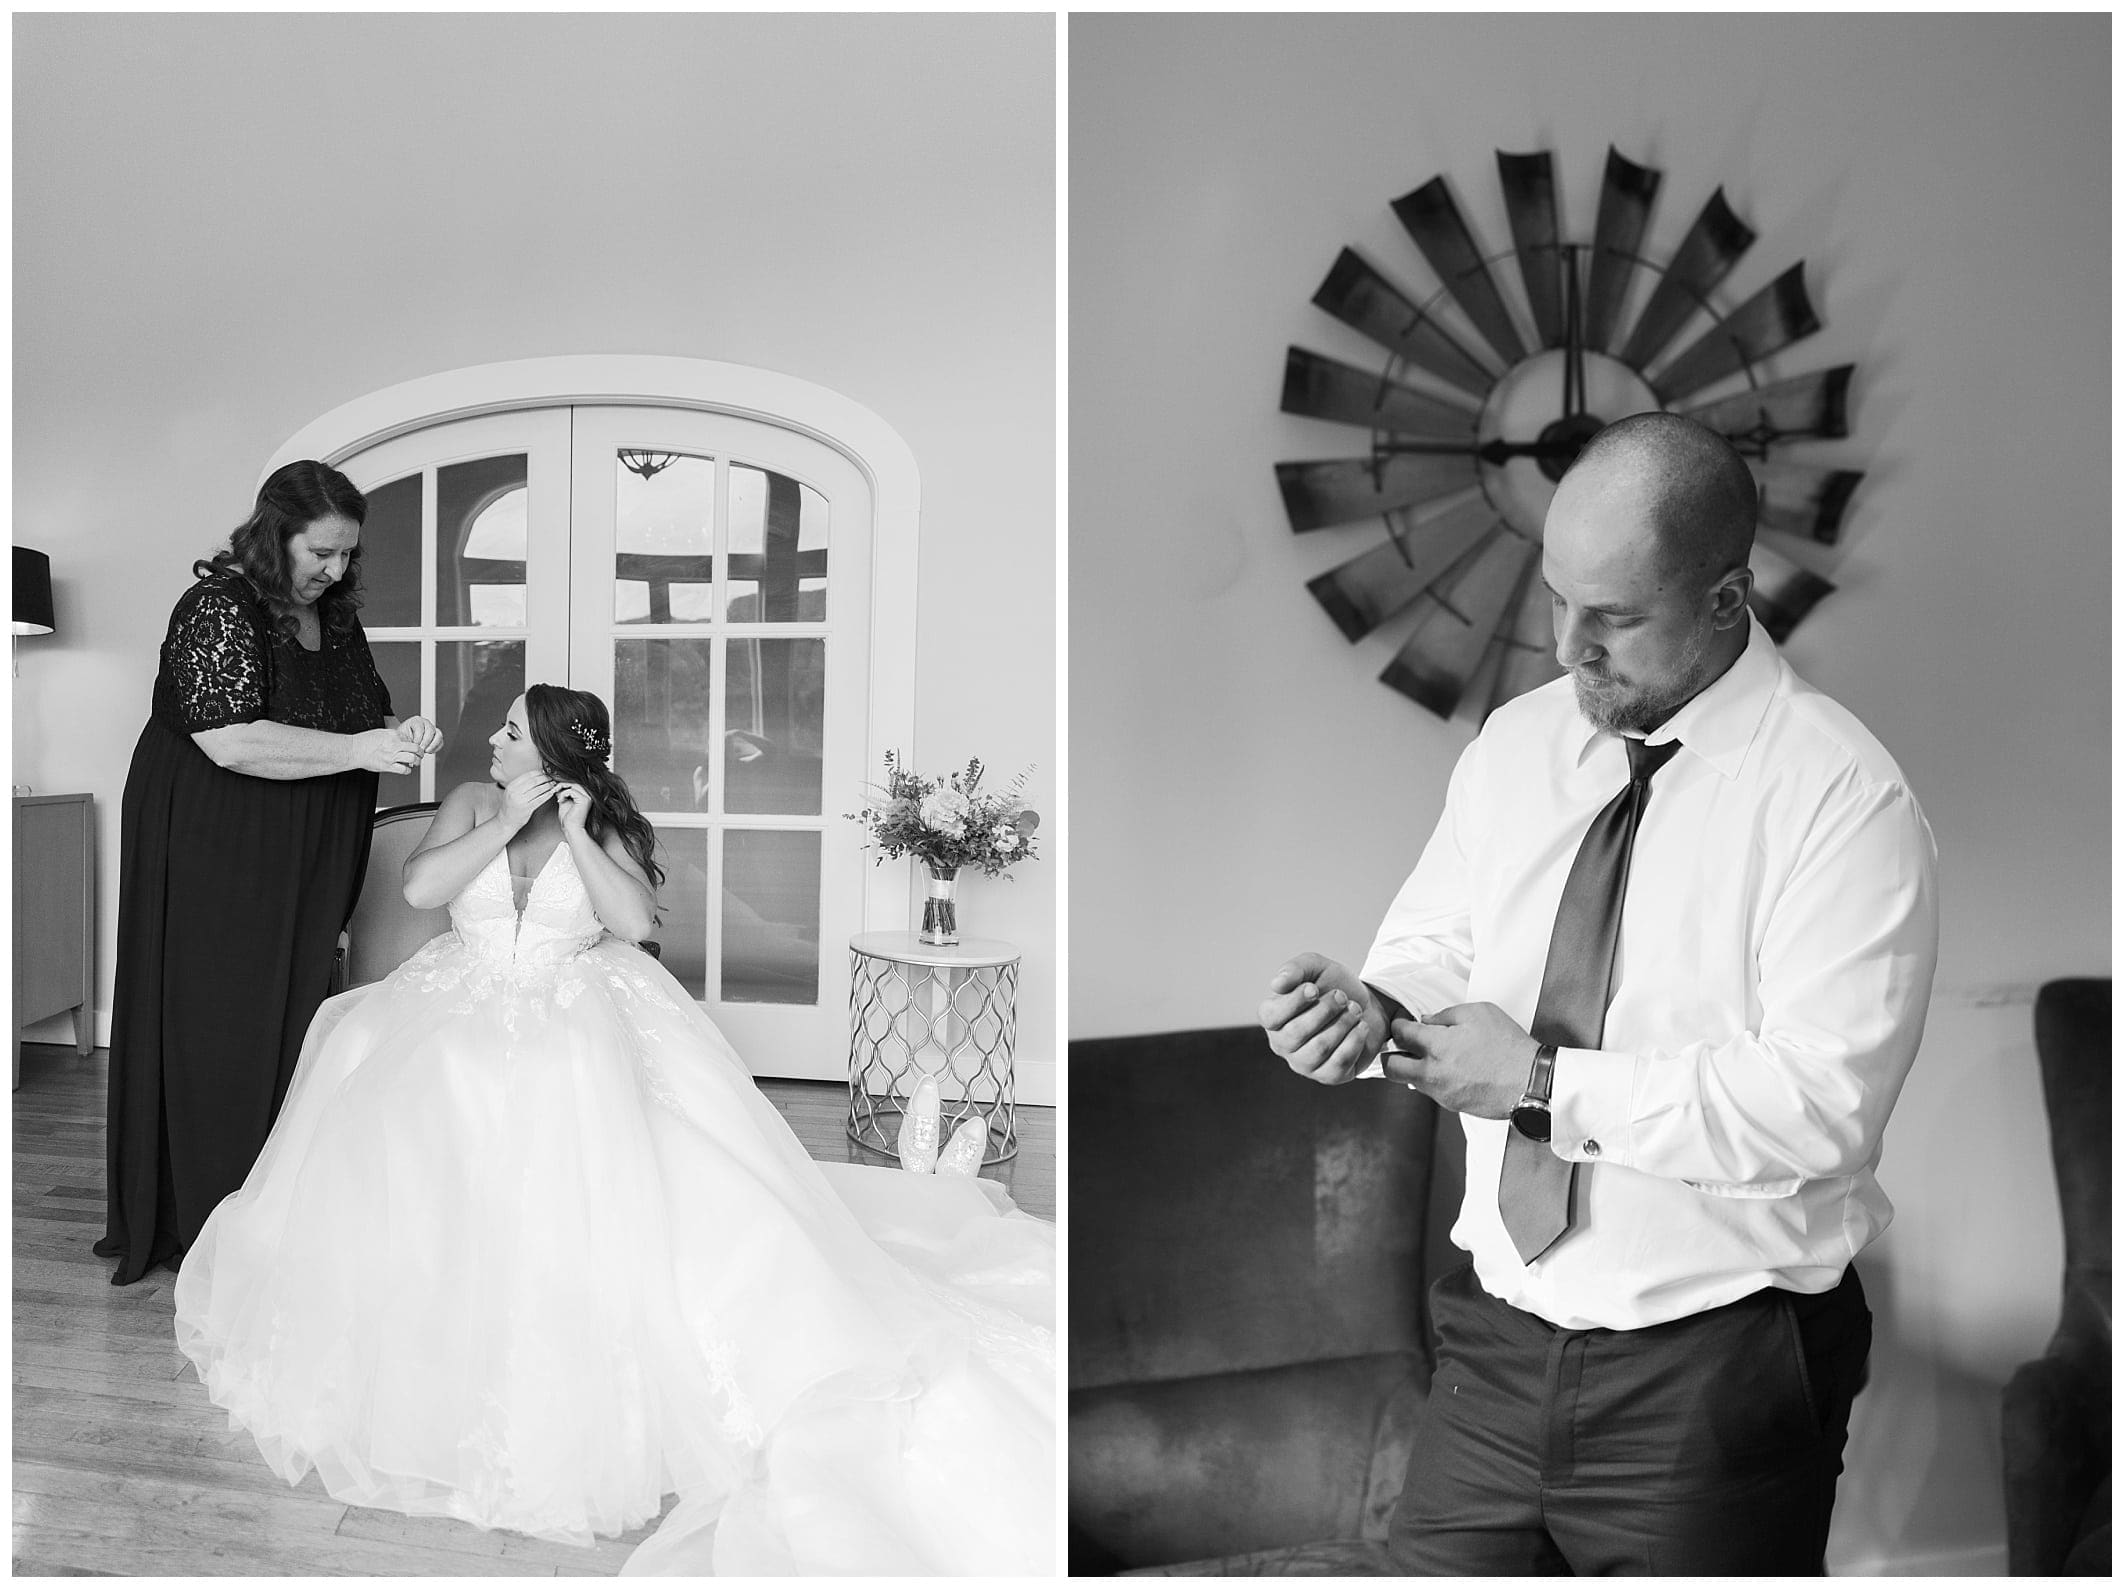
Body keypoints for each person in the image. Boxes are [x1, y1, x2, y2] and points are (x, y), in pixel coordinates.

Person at [1259, 412, 1938, 1574]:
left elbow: (1821, 1105)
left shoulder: (1845, 800)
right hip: (1491, 1345)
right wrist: (1373, 1007)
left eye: (1616, 616)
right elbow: (1437, 944)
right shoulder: (1517, 746)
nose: (1571, 644)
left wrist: (1538, 1083)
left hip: (1711, 1371)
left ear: (1728, 598)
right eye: (1558, 597)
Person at [172, 684, 1054, 1575]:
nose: (494, 739)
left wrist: (582, 829)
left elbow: (630, 924)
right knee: (411, 1088)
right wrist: (503, 818)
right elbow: (421, 886)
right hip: (457, 996)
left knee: (581, 1104)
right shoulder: (475, 800)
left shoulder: (604, 822)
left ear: (554, 750)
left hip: (573, 1002)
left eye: (511, 732)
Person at [97, 461, 442, 1286]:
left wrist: (402, 732)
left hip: (302, 849)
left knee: (293, 1017)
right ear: (274, 532)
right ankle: (211, 1214)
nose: (335, 569)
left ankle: (280, 1202)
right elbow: (230, 739)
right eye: (321, 551)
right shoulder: (217, 608)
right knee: (222, 1018)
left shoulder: (334, 616)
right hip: (221, 843)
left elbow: (356, 717)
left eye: (346, 555)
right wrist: (362, 751)